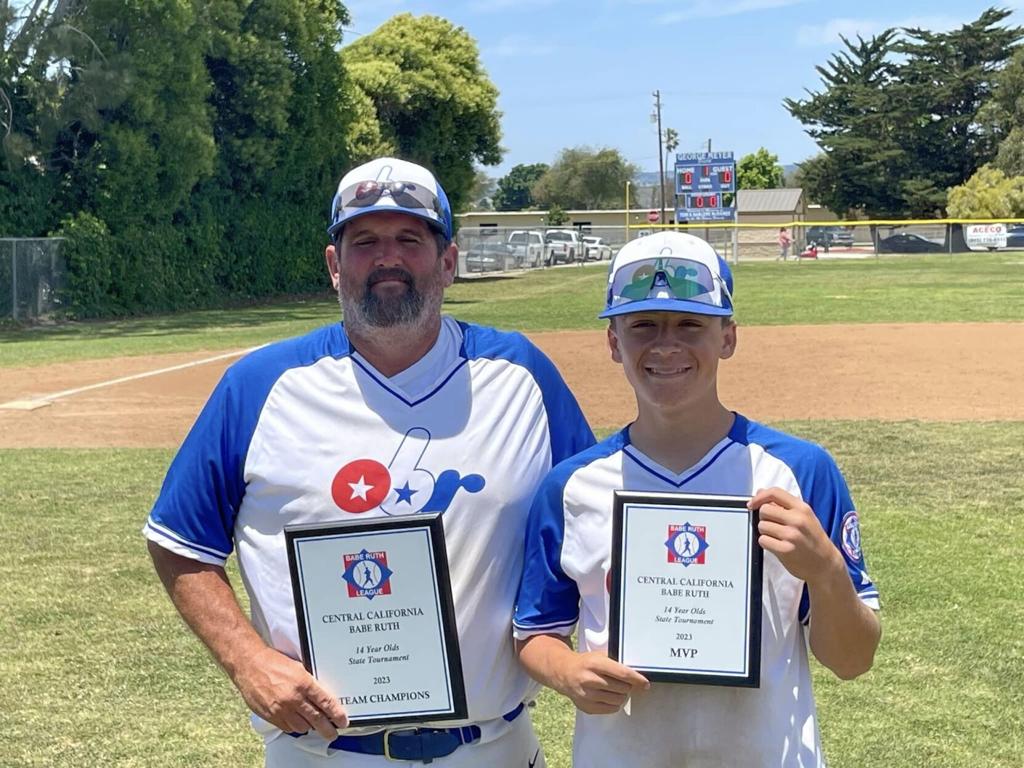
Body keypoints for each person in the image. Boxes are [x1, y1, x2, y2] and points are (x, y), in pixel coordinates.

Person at [144, 156, 594, 767]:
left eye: (411, 239)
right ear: (335, 265)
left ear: (449, 262)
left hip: (493, 747)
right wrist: (246, 660)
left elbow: (594, 523)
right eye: (364, 242)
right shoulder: (259, 386)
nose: (388, 258)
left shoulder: (521, 375)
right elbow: (179, 541)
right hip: (322, 751)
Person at [513, 231, 881, 767]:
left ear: (728, 337)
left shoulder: (798, 472)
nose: (666, 345)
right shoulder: (572, 486)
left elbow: (852, 660)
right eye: (643, 326)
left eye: (691, 324)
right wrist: (566, 671)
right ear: (614, 342)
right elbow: (534, 633)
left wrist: (826, 572)